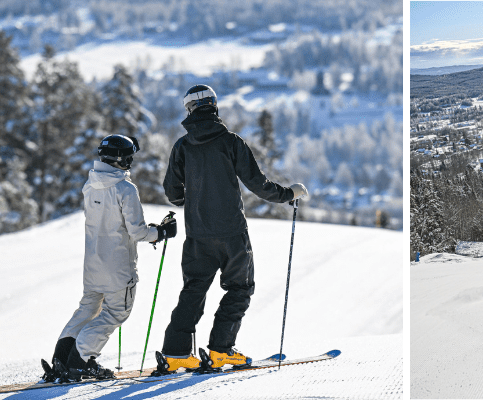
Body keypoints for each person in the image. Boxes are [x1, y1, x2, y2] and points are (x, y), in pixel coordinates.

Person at [157, 85, 307, 373]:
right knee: (240, 287)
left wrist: (194, 195)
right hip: (231, 234)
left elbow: (173, 194)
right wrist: (289, 194)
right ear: (214, 105)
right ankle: (221, 351)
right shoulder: (230, 142)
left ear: (189, 109)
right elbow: (258, 185)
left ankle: (176, 354)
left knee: (193, 290)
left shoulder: (183, 146)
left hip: (197, 236)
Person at [44, 135, 177, 382]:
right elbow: (137, 232)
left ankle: (61, 358)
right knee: (116, 313)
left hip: (93, 264)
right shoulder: (125, 189)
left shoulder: (90, 185)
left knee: (87, 310)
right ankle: (80, 360)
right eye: (130, 157)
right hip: (118, 268)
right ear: (122, 159)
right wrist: (161, 232)